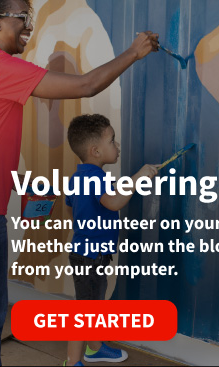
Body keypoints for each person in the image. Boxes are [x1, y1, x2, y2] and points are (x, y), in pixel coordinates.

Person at [0, 0, 159, 366]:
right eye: (21, 18)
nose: (28, 26)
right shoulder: (2, 67)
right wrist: (134, 52)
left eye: (31, 18)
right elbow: (87, 84)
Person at [64, 114, 158, 366]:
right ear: (95, 151)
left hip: (88, 254)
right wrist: (137, 178)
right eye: (113, 141)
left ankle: (94, 348)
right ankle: (72, 363)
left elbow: (70, 209)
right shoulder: (97, 178)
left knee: (94, 304)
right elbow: (114, 201)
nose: (117, 146)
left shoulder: (77, 178)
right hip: (90, 257)